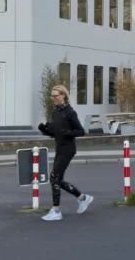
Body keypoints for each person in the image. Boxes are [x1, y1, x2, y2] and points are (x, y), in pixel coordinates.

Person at [37, 85, 92, 221]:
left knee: (54, 177)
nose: (54, 98)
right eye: (52, 96)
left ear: (63, 96)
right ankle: (82, 198)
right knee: (58, 180)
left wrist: (67, 132)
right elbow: (56, 133)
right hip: (59, 148)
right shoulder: (55, 112)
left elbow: (81, 131)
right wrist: (46, 130)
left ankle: (56, 211)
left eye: (56, 96)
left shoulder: (70, 112)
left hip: (68, 149)